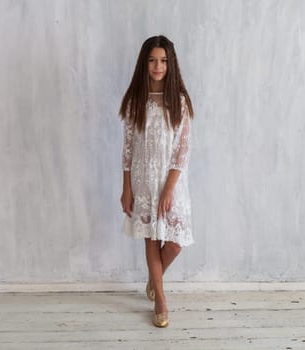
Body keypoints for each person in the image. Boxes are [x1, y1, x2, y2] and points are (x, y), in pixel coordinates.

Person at [118, 35, 194, 328]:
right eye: (152, 60)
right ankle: (160, 299)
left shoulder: (180, 102)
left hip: (171, 182)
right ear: (144, 63)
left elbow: (182, 151)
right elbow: (127, 149)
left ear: (170, 63)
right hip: (144, 179)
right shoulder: (136, 101)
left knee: (174, 244)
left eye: (163, 60)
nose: (157, 66)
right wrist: (127, 188)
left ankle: (154, 277)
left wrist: (169, 188)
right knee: (151, 237)